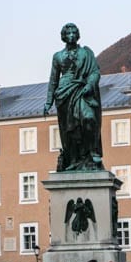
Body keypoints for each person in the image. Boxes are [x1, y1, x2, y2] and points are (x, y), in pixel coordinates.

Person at [43, 23, 103, 172]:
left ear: (78, 35)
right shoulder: (57, 56)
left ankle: (91, 153)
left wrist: (90, 84)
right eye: (68, 33)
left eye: (74, 33)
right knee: (70, 130)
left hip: (82, 89)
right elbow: (53, 80)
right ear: (64, 36)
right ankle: (75, 159)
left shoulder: (86, 53)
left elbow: (95, 72)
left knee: (89, 118)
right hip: (64, 94)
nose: (71, 35)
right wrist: (49, 101)